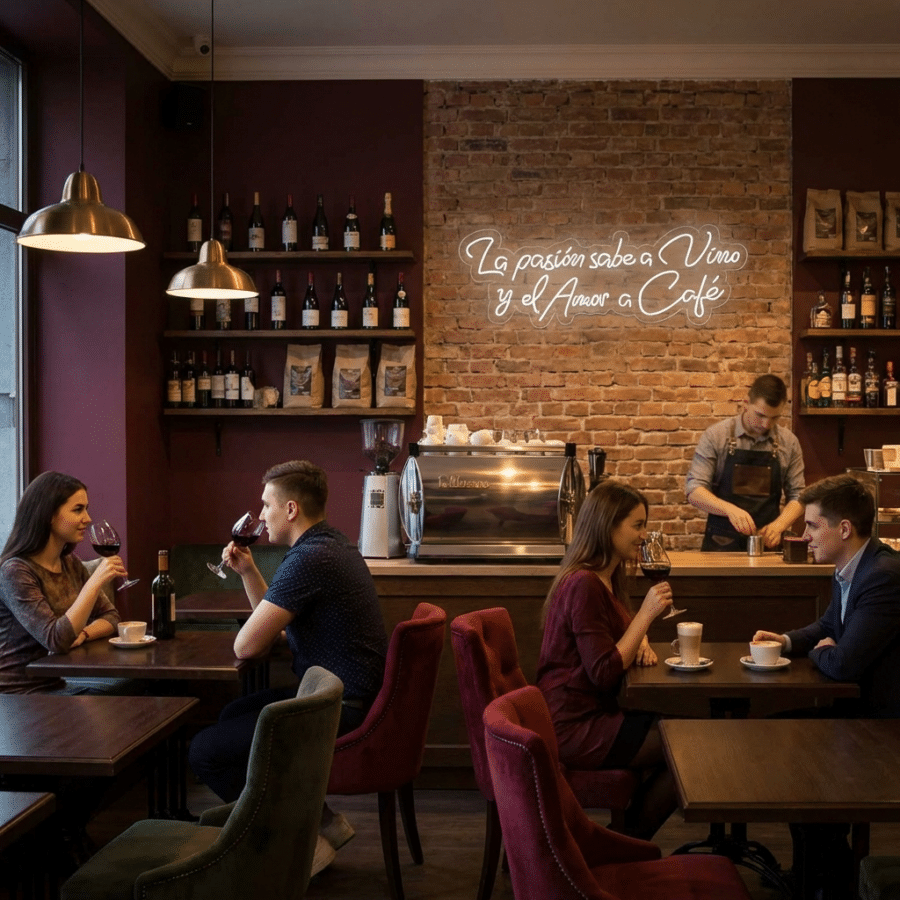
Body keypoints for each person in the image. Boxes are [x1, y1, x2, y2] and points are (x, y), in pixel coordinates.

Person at [188, 460, 388, 872]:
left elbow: (247, 644)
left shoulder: (309, 558)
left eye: (266, 505)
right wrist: (247, 571)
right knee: (234, 714)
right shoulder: (331, 544)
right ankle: (321, 823)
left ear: (291, 509)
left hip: (342, 707)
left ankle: (292, 841)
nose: (260, 516)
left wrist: (251, 626)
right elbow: (275, 627)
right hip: (345, 694)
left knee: (206, 752)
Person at [536, 479, 678, 840]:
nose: (644, 536)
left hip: (592, 712)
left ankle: (621, 840)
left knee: (680, 733)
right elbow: (602, 671)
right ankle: (627, 841)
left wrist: (639, 636)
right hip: (573, 723)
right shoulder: (583, 583)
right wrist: (646, 617)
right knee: (684, 746)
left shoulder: (605, 577)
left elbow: (613, 636)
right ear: (608, 525)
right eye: (638, 525)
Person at [754, 473, 900, 719]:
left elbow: (842, 666)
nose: (804, 536)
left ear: (844, 529)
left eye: (812, 525)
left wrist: (821, 651)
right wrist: (785, 642)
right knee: (761, 726)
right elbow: (829, 625)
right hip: (855, 713)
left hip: (880, 728)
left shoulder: (882, 577)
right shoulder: (848, 566)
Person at [0, 471, 124, 694]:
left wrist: (84, 634)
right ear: (49, 514)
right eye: (78, 509)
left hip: (56, 685)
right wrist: (94, 583)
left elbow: (112, 617)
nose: (87, 518)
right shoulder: (15, 571)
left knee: (150, 690)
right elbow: (55, 640)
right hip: (19, 694)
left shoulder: (69, 562)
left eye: (86, 509)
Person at [686, 374, 805, 551]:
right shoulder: (716, 436)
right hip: (721, 544)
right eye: (760, 415)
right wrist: (729, 510)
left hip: (768, 546)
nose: (766, 424)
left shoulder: (789, 442)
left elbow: (799, 496)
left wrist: (779, 526)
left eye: (774, 418)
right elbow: (694, 490)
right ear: (745, 403)